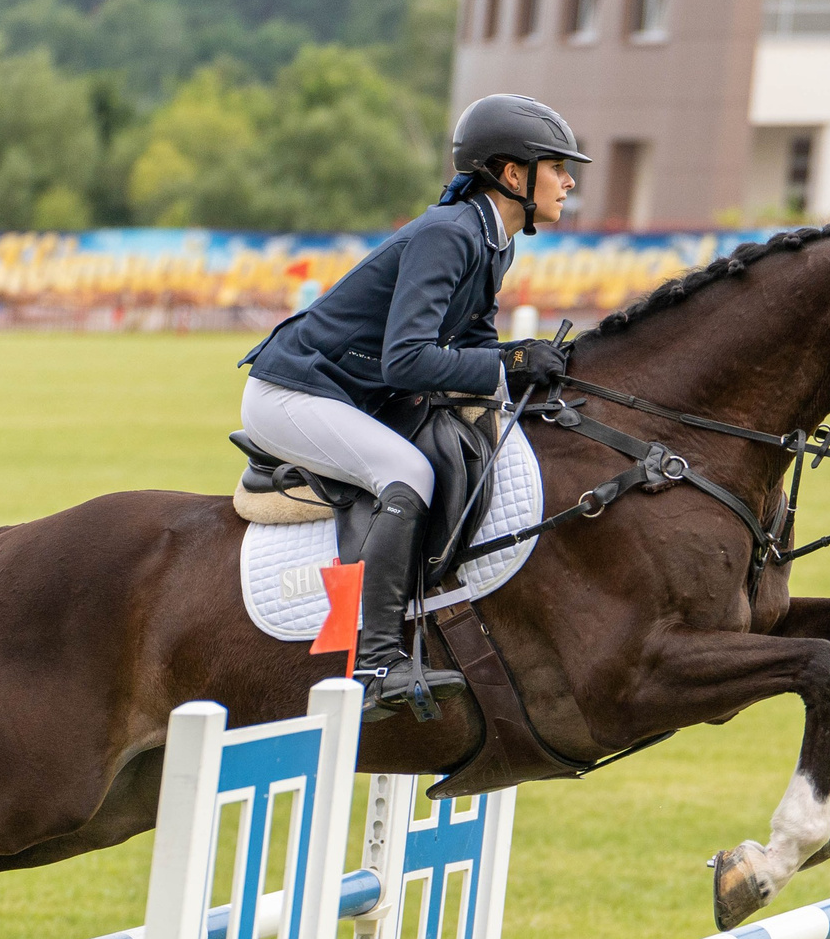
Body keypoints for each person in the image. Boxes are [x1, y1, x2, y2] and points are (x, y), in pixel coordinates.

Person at [239, 93, 588, 719]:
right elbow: (408, 360)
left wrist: (528, 373)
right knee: (409, 472)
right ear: (513, 175)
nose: (568, 180)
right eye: (557, 166)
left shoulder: (492, 240)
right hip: (293, 392)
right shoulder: (449, 235)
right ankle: (374, 666)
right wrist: (509, 362)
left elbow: (475, 344)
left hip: (346, 394)